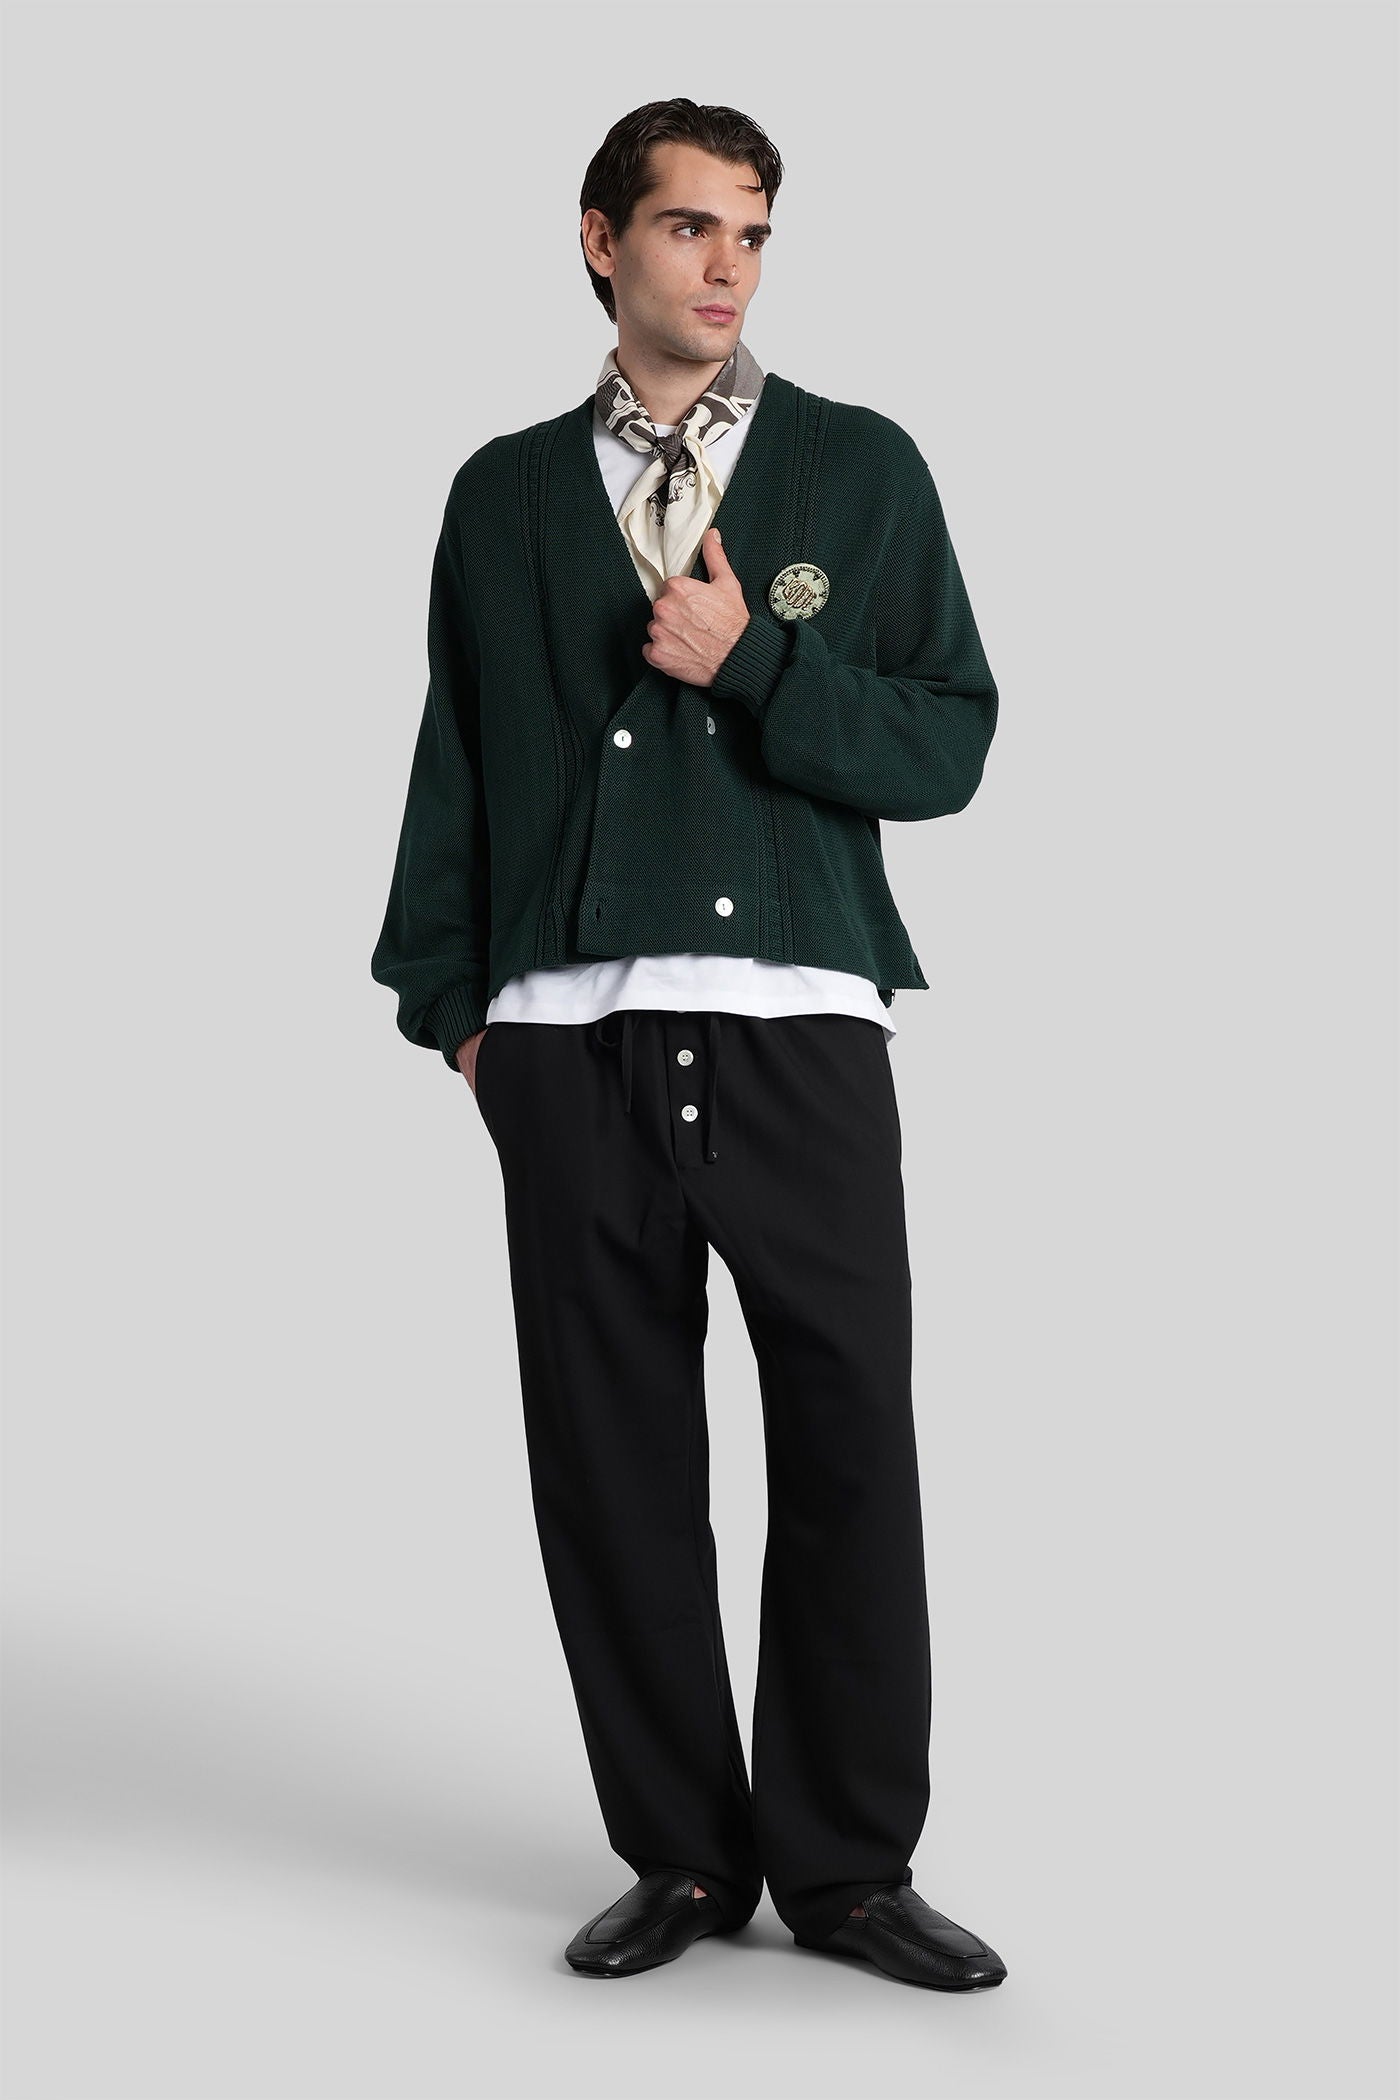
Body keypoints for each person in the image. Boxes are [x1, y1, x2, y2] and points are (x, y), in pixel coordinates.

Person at [371, 97, 1007, 1991]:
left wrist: (761, 665)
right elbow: (457, 760)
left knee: (847, 1436)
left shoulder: (860, 469)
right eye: (689, 228)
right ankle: (681, 1855)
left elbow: (950, 740)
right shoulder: (501, 494)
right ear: (602, 240)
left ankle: (849, 1869)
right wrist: (457, 1011)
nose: (727, 266)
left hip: (798, 1026)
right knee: (611, 1458)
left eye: (753, 234)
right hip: (568, 1040)